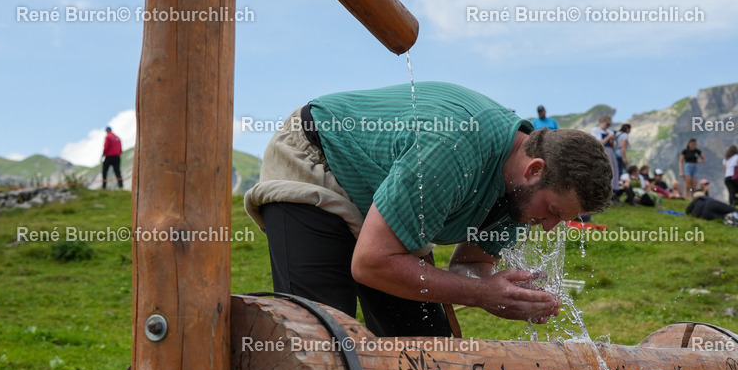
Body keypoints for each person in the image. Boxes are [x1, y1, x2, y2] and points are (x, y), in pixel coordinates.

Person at [243, 81, 613, 337]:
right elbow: (372, 263)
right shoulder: (454, 148)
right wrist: (481, 294)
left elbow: (470, 265)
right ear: (535, 171)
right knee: (321, 340)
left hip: (384, 196)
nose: (547, 226)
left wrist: (503, 292)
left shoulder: (521, 193)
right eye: (552, 212)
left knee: (431, 355)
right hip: (319, 159)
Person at [591, 116, 620, 197]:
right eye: (606, 124)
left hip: (610, 151)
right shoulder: (595, 130)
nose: (607, 126)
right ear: (602, 122)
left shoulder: (609, 131)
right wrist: (608, 137)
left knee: (613, 170)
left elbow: (613, 146)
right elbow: (599, 143)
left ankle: (613, 191)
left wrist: (612, 140)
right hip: (601, 151)